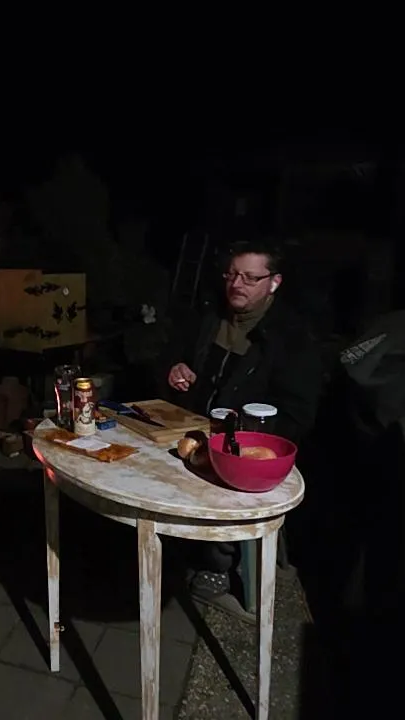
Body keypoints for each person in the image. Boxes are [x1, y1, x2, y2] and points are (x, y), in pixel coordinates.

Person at [160, 239, 322, 616]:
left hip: (247, 446)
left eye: (250, 278)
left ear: (274, 282)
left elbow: (298, 414)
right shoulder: (209, 317)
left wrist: (245, 434)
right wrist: (175, 370)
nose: (237, 284)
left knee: (231, 478)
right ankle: (174, 544)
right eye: (232, 275)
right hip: (193, 430)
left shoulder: (291, 338)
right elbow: (171, 355)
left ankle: (217, 567)